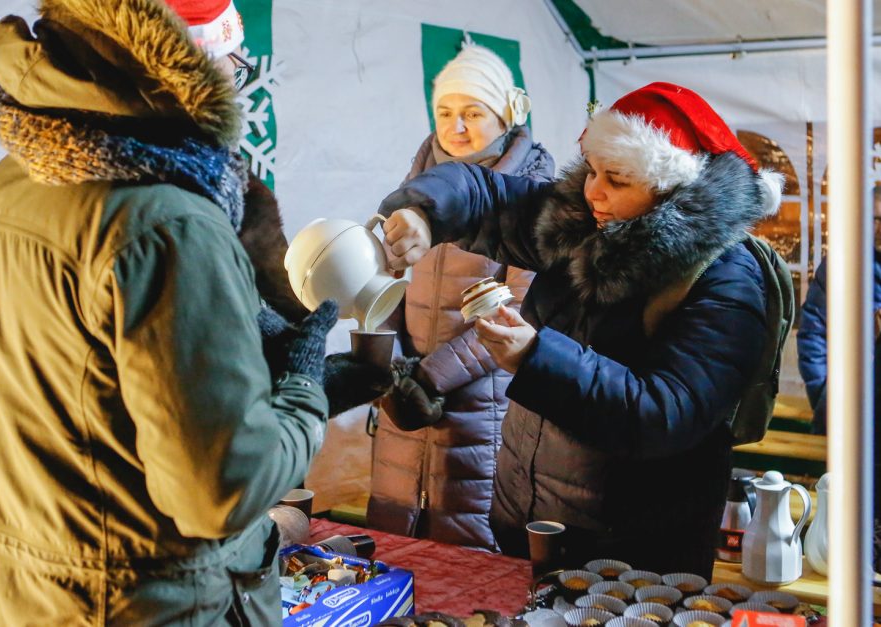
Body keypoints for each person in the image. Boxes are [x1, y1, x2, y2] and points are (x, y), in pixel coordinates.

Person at [0, 0, 339, 624]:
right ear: (194, 66)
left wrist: (258, 383)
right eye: (232, 62)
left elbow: (92, 404)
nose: (237, 78)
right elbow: (222, 492)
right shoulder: (167, 222)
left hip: (18, 597)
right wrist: (304, 392)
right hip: (141, 605)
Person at [378, 82, 783, 577]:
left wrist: (535, 358)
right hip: (528, 525)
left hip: (635, 558)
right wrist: (424, 213)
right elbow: (483, 191)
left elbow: (666, 414)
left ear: (670, 187)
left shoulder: (725, 277)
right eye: (592, 170)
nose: (594, 191)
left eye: (616, 178)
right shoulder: (583, 222)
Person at [366, 43, 554, 550]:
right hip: (404, 403)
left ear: (507, 116)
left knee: (470, 552)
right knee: (394, 548)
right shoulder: (414, 188)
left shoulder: (533, 195)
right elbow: (381, 286)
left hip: (483, 407)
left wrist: (431, 377)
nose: (457, 127)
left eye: (474, 113)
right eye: (446, 112)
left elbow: (519, 306)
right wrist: (392, 369)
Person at [797, 186, 881, 572]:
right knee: (837, 517)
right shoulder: (843, 264)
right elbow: (813, 333)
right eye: (876, 218)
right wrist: (823, 393)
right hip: (845, 411)